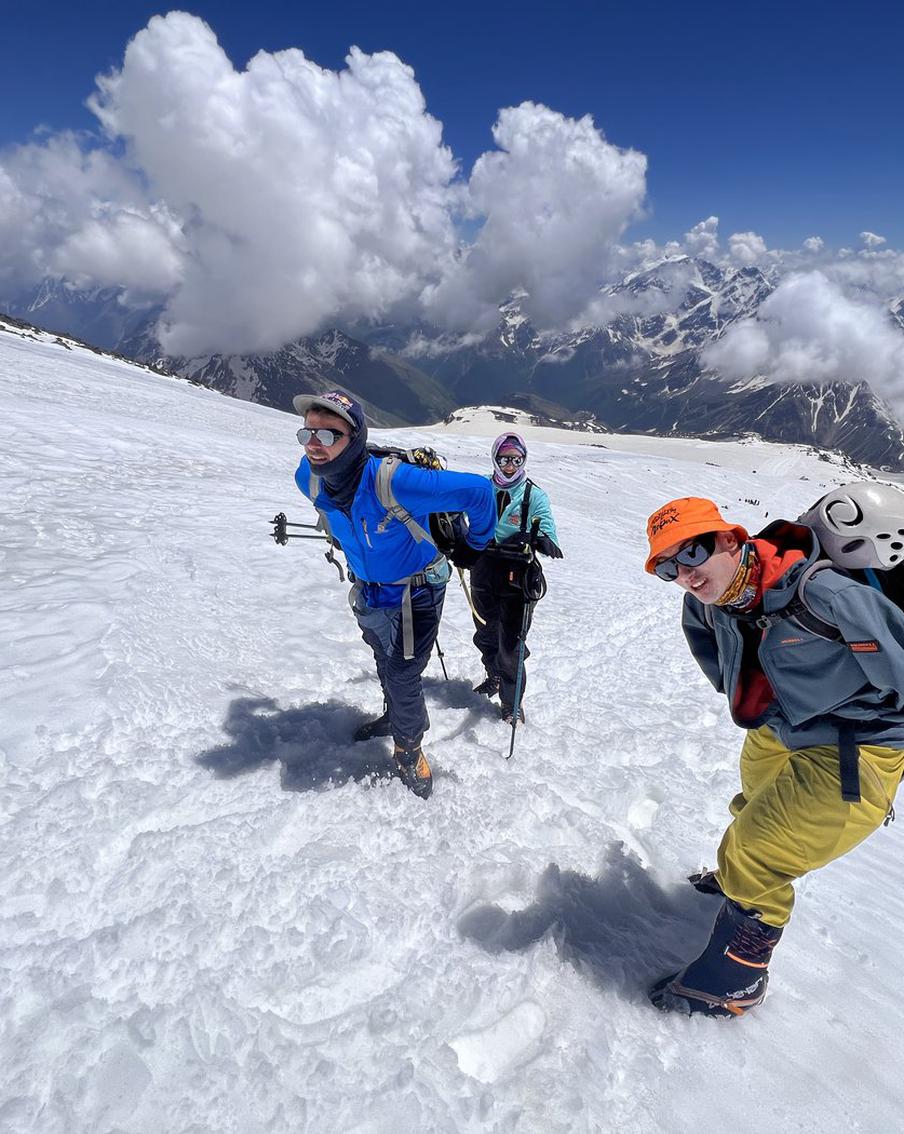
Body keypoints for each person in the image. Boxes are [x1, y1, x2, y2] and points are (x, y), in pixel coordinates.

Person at [644, 496, 904, 1018]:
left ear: (729, 539)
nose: (685, 575)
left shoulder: (825, 596)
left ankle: (733, 983)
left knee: (757, 852)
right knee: (755, 805)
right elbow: (714, 655)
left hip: (858, 745)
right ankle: (739, 885)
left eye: (691, 552)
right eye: (668, 567)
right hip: (781, 727)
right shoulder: (706, 601)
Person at [293, 390, 496, 800]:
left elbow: (480, 493)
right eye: (308, 433)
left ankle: (409, 747)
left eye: (328, 435)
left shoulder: (395, 481)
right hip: (369, 591)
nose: (314, 445)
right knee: (383, 658)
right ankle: (395, 715)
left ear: (355, 439)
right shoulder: (309, 478)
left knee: (403, 672)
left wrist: (474, 547)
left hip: (416, 590)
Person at [468, 432, 562, 723]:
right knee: (486, 631)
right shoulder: (481, 488)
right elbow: (459, 514)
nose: (510, 465)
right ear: (495, 458)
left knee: (512, 641)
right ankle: (494, 675)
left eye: (516, 459)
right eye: (505, 458)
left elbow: (547, 529)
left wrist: (540, 539)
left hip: (517, 575)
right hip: (483, 568)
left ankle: (511, 702)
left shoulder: (533, 495)